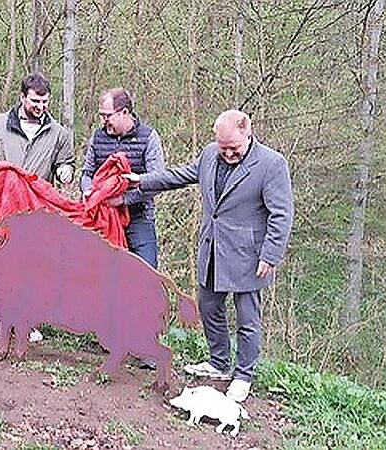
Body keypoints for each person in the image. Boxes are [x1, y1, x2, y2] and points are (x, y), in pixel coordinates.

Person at [124, 110, 294, 402]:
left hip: (249, 256)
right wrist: (142, 180)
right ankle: (218, 362)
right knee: (209, 306)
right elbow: (180, 176)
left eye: (233, 148)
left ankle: (243, 375)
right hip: (213, 248)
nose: (227, 153)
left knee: (247, 319)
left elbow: (282, 214)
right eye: (222, 147)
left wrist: (271, 254)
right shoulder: (209, 154)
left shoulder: (271, 164)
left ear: (247, 133)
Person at [0, 72, 75, 342]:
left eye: (44, 102)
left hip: (37, 210)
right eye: (35, 101)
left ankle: (28, 322)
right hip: (5, 206)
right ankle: (1, 319)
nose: (40, 107)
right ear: (22, 97)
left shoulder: (58, 133)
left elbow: (66, 163)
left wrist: (66, 171)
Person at [80, 88, 165, 270]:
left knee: (147, 276)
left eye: (107, 116)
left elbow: (157, 181)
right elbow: (87, 173)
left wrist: (123, 199)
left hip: (139, 217)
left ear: (124, 112)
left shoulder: (149, 137)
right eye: (101, 115)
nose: (104, 121)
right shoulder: (98, 136)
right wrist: (89, 193)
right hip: (103, 219)